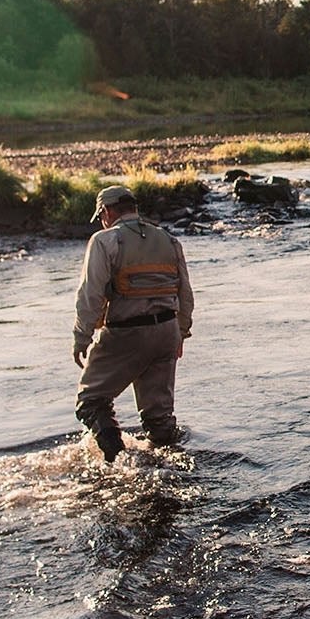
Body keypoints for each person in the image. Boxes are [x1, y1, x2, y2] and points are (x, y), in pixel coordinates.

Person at [72, 184, 194, 461]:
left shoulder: (104, 241)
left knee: (90, 402)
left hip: (125, 333)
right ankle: (169, 465)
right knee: (159, 418)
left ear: (107, 211)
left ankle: (117, 463)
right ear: (134, 209)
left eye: (102, 215)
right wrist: (181, 334)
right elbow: (185, 293)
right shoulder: (169, 240)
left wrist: (82, 337)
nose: (103, 220)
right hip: (166, 331)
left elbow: (90, 295)